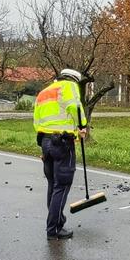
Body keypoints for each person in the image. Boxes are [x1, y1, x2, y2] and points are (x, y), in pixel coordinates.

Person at [33, 68, 87, 239]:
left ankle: (57, 220)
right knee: (62, 186)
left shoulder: (44, 92)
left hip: (45, 141)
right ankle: (54, 228)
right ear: (73, 79)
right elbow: (75, 107)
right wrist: (82, 126)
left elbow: (36, 120)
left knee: (53, 184)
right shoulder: (69, 86)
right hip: (63, 143)